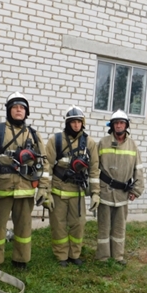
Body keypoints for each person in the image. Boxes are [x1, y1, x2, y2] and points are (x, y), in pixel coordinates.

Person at [0, 92, 50, 270]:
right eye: (15, 107)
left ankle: (21, 259)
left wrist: (43, 189)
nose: (18, 110)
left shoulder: (33, 135)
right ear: (9, 110)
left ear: (27, 112)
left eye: (22, 107)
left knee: (24, 228)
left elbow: (44, 163)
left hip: (25, 190)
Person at [45, 105, 100, 267]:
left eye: (79, 122)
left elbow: (94, 169)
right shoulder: (56, 140)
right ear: (67, 123)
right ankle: (61, 255)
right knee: (58, 224)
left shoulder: (89, 143)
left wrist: (95, 192)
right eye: (73, 122)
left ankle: (74, 254)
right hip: (58, 190)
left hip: (77, 193)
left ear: (83, 123)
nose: (76, 125)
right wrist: (45, 191)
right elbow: (47, 166)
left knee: (79, 224)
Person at [95, 109, 145, 265]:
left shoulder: (133, 145)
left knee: (119, 227)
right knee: (103, 226)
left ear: (126, 125)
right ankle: (103, 257)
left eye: (121, 123)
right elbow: (94, 168)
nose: (118, 125)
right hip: (105, 191)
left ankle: (117, 256)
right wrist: (95, 191)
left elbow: (139, 168)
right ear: (112, 125)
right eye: (116, 123)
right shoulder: (102, 143)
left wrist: (136, 190)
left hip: (123, 193)